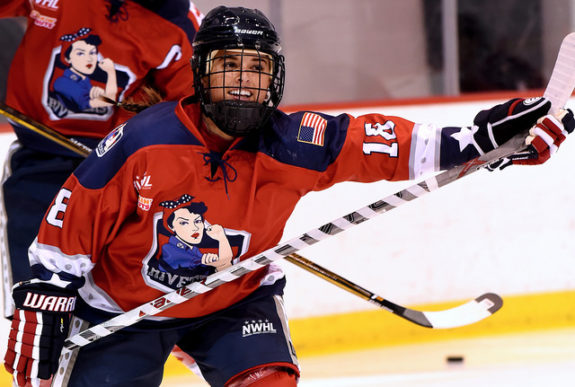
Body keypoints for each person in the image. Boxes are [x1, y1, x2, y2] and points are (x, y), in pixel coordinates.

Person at [3, 5, 574, 387]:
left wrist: (477, 140)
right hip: (127, 311)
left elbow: (384, 142)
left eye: (256, 71)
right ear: (201, 76)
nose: (242, 85)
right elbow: (70, 218)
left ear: (275, 78)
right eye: (228, 70)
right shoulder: (145, 142)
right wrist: (48, 288)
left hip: (236, 299)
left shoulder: (295, 140)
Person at [0, 0, 203, 320]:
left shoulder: (179, 23)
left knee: (124, 307)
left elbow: (193, 118)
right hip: (42, 160)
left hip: (120, 173)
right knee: (36, 306)